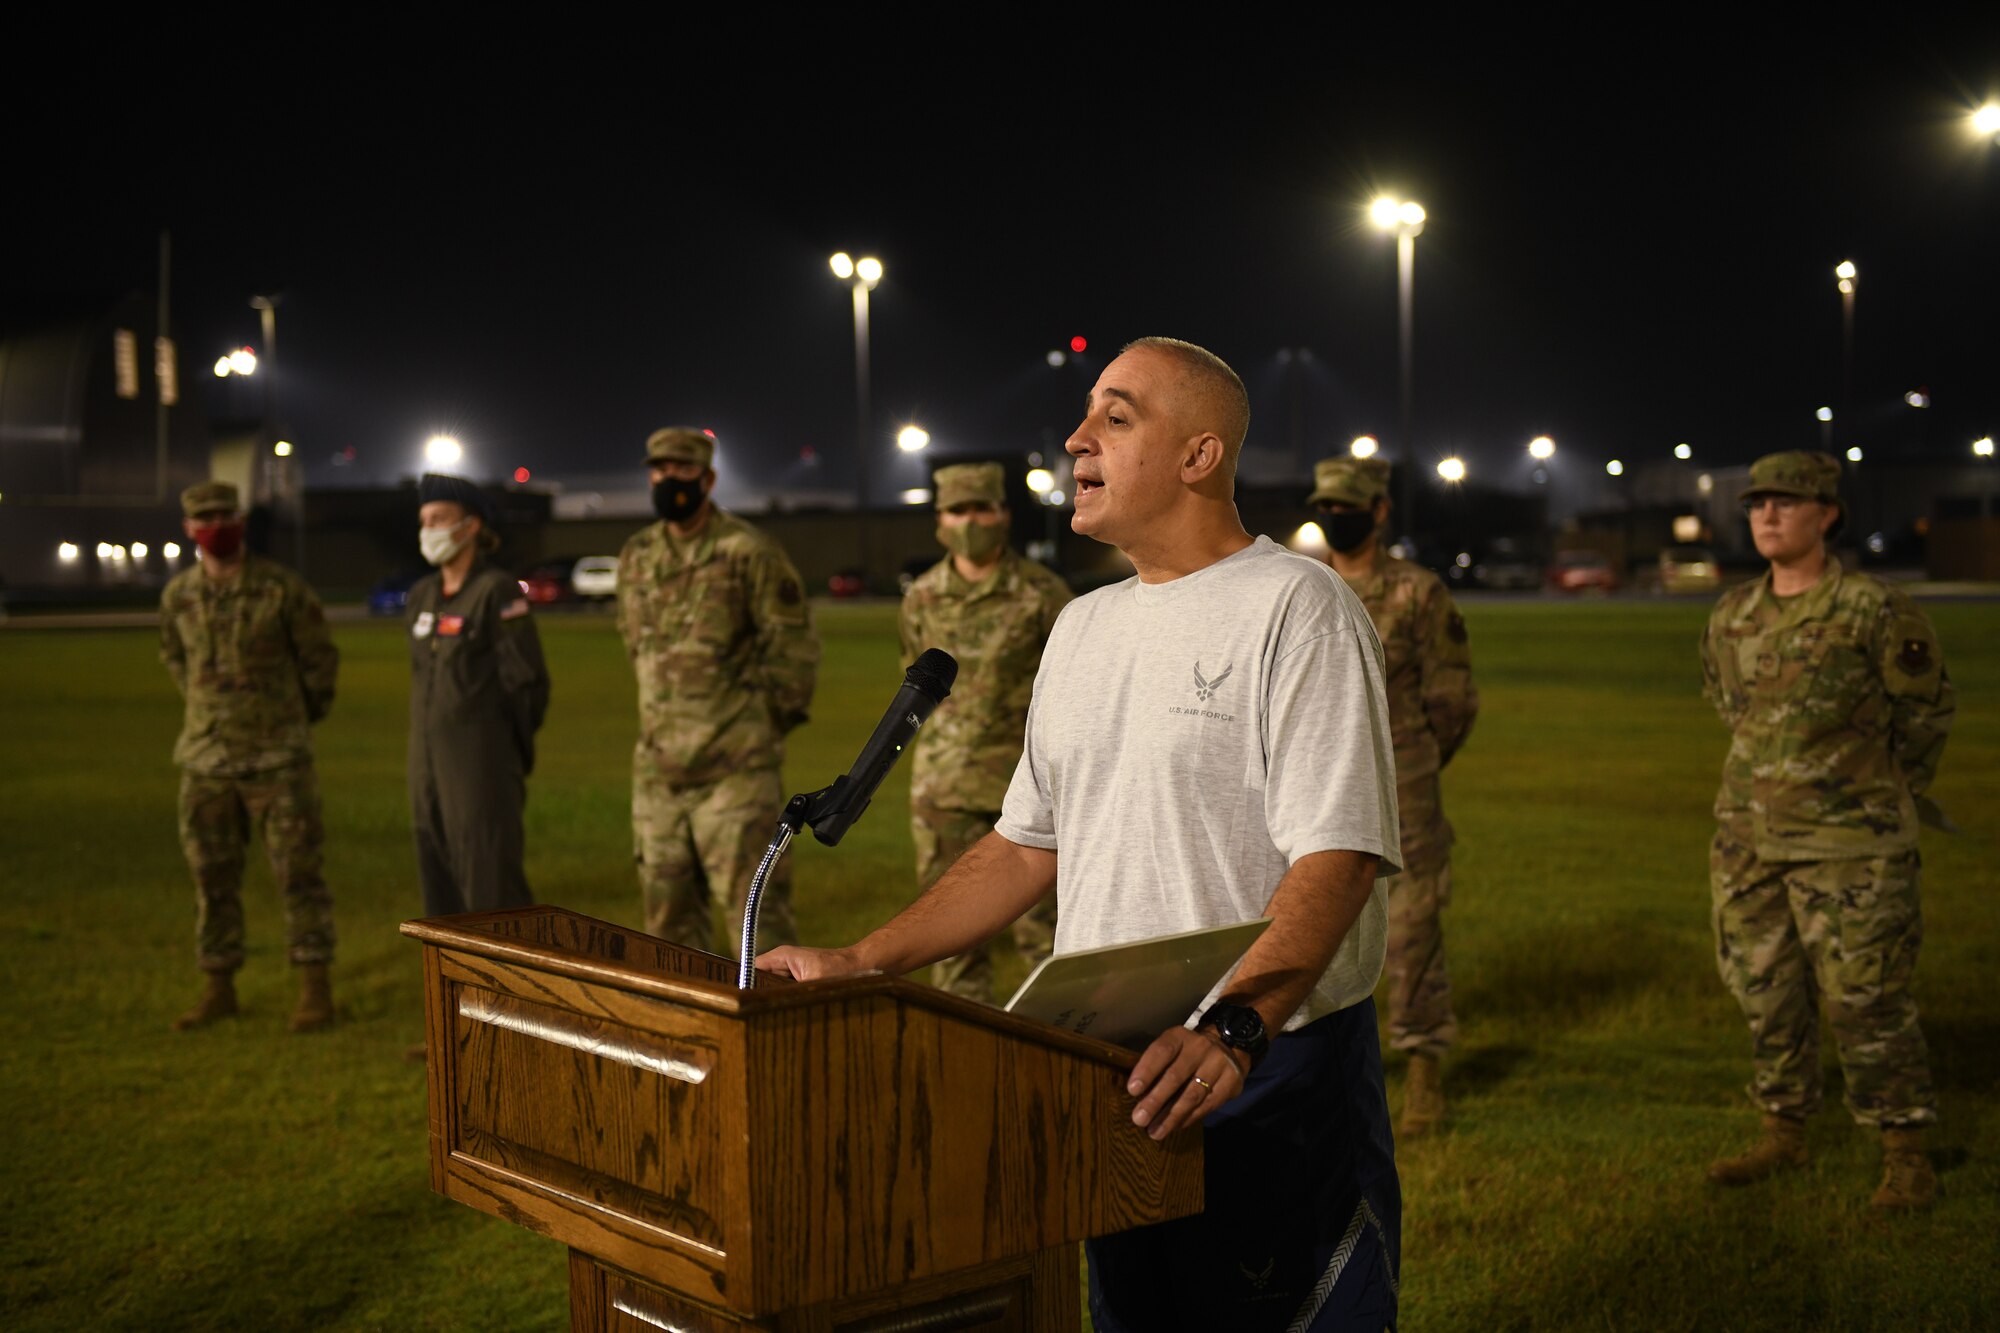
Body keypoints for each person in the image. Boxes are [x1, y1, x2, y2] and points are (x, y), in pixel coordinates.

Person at [762, 338, 1403, 1331]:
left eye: (1114, 415)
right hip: (1107, 1063)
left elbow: (1339, 852)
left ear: (1197, 456)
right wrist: (863, 958)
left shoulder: (1296, 607)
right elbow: (1026, 845)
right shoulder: (1084, 626)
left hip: (1264, 1067)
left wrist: (1235, 1027)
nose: (1073, 438)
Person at [1699, 450, 1954, 1211]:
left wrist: (1872, 793)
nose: (1768, 514)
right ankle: (1785, 1129)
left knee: (1865, 999)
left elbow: (1925, 713)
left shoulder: (1875, 609)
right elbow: (1731, 708)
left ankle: (1905, 1150)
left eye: (1787, 501)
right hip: (1748, 841)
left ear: (1827, 513)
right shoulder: (1732, 615)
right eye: (1757, 503)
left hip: (1854, 848)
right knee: (1766, 992)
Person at [1309, 454, 1478, 1137]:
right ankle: (1325, 1072)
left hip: (1403, 790)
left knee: (1413, 933)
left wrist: (1409, 759)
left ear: (1379, 511)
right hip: (1315, 793)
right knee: (1316, 932)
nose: (1334, 514)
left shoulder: (1418, 591)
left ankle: (1424, 1070)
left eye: (1348, 504)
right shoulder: (1302, 586)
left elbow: (1452, 699)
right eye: (1324, 503)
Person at [617, 427, 820, 956]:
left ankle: (776, 1038)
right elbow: (635, 646)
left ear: (707, 479)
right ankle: (683, 1039)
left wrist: (756, 729)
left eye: (681, 471)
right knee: (666, 934)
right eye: (658, 471)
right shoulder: (637, 556)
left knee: (758, 932)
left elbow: (793, 651)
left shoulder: (747, 551)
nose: (667, 480)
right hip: (659, 779)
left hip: (736, 779)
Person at [158, 480, 340, 1032]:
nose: (216, 524)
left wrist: (287, 720)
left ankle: (314, 988)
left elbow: (319, 664)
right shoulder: (179, 596)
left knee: (299, 875)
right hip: (207, 762)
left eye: (224, 514)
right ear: (190, 529)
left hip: (278, 761)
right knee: (211, 879)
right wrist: (208, 715)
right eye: (204, 516)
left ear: (240, 520)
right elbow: (176, 661)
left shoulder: (282, 589)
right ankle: (219, 985)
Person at [899, 461, 1072, 1001]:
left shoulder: (1045, 594)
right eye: (956, 510)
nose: (968, 520)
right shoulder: (921, 597)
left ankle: (1052, 1062)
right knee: (948, 946)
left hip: (1026, 794)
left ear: (1002, 514)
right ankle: (964, 1067)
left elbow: (1071, 691)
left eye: (980, 508)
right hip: (942, 793)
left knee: (1046, 944)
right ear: (939, 520)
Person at [406, 473, 550, 918]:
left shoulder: (496, 591)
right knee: (439, 885)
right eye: (424, 520)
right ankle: (450, 987)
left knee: (490, 889)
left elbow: (526, 682)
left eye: (440, 518)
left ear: (470, 526)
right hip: (426, 762)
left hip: (479, 762)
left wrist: (502, 749)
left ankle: (504, 988)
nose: (430, 528)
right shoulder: (423, 595)